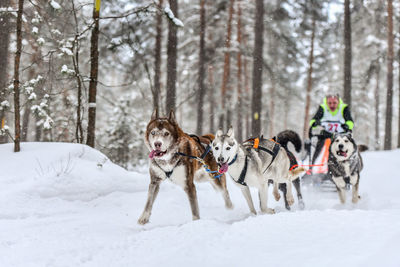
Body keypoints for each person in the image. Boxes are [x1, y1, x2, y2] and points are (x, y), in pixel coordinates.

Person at [308, 94, 354, 165]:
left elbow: (350, 122)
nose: (332, 105)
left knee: (341, 148)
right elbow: (313, 121)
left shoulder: (343, 107)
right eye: (329, 103)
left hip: (340, 134)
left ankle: (345, 164)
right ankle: (313, 166)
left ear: (338, 102)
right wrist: (315, 123)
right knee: (318, 147)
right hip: (326, 133)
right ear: (326, 103)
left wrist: (347, 125)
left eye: (334, 103)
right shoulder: (323, 107)